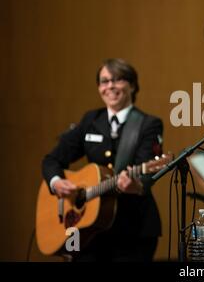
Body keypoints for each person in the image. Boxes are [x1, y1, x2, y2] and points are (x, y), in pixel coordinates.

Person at [42, 58, 163, 261]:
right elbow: (52, 159)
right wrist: (56, 183)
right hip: (90, 232)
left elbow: (149, 174)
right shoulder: (91, 120)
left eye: (117, 80)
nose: (110, 86)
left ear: (132, 85)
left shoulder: (148, 124)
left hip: (132, 231)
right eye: (104, 81)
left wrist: (137, 184)